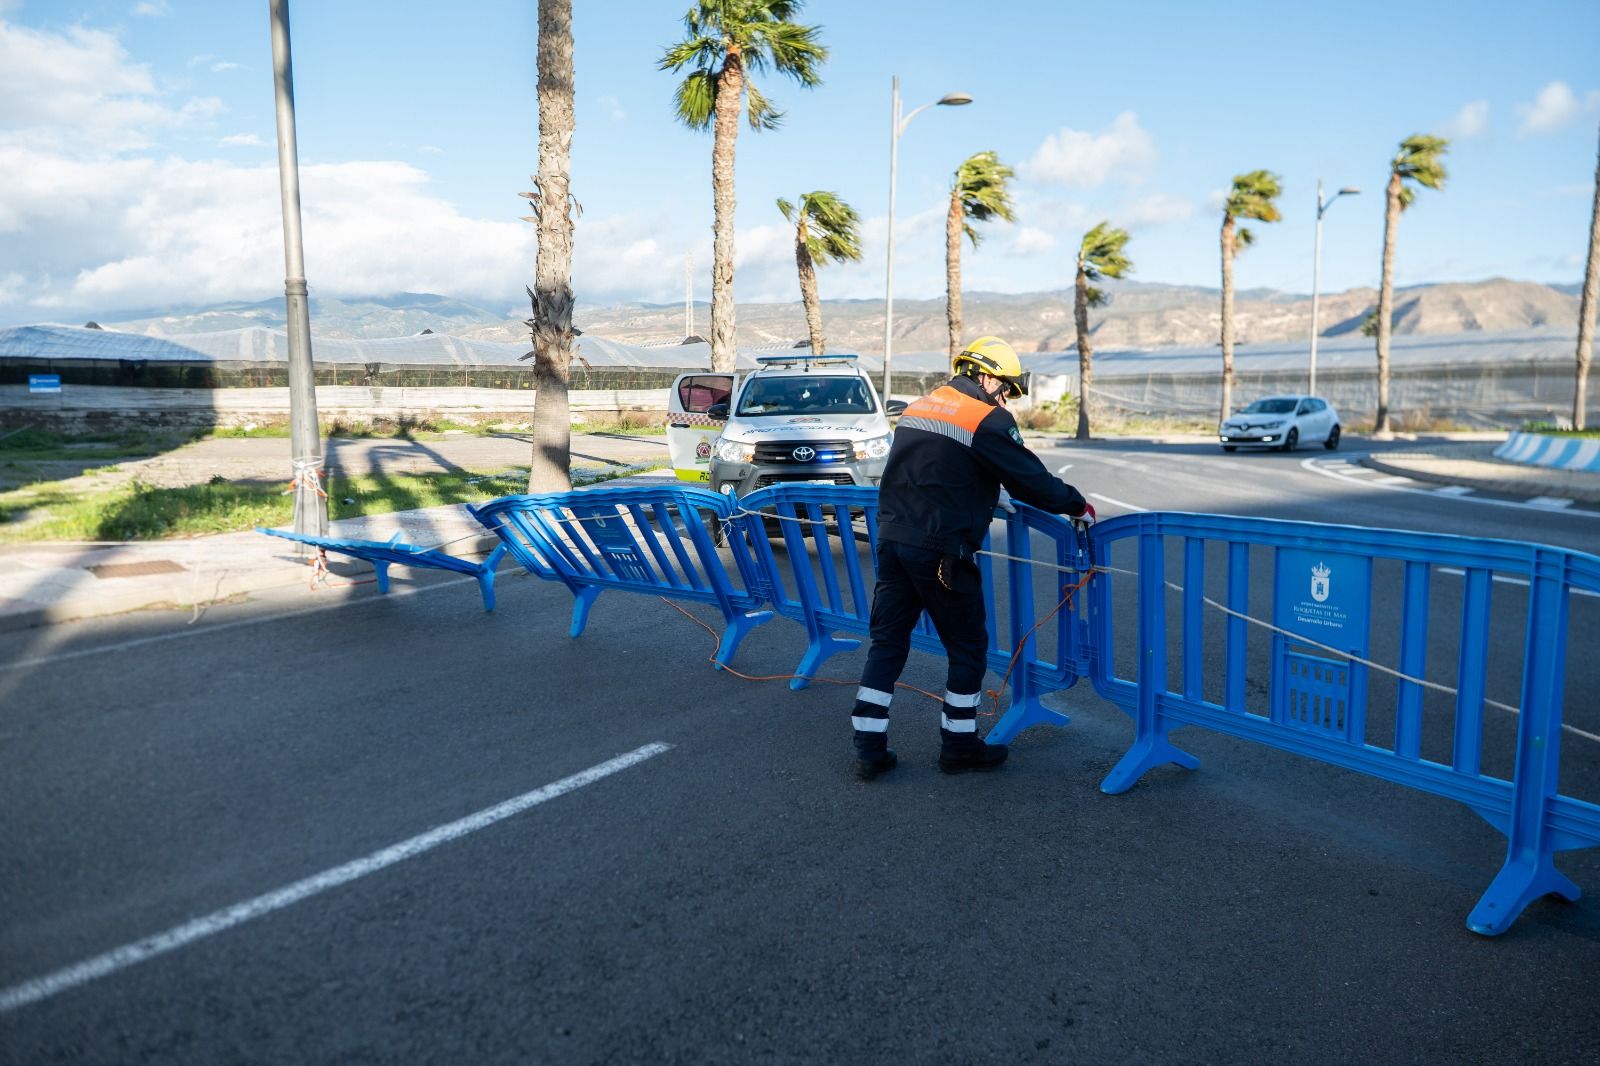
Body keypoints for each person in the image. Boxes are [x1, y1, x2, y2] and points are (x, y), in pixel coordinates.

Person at [850, 336, 1094, 780]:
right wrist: (1077, 504)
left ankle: (868, 749)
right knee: (967, 650)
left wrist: (983, 490)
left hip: (893, 540)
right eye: (1007, 389)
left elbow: (935, 467)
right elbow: (1031, 480)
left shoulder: (919, 407)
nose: (1007, 399)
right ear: (986, 377)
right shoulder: (986, 418)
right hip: (940, 550)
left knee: (887, 643)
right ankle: (959, 747)